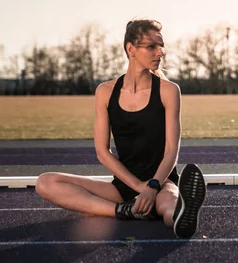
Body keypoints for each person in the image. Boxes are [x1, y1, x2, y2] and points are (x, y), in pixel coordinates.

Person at [35, 19, 206, 238]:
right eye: (152, 46)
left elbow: (172, 149)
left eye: (161, 46)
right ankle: (123, 211)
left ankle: (180, 215)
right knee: (46, 182)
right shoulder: (105, 92)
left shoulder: (168, 90)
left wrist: (152, 186)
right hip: (123, 187)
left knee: (169, 205)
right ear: (131, 49)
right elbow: (102, 152)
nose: (160, 52)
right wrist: (137, 186)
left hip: (161, 182)